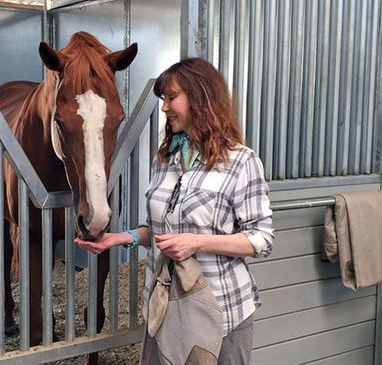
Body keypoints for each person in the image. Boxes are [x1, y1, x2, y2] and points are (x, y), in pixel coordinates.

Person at [75, 57, 273, 365]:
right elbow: (158, 230)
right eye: (162, 99)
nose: (164, 107)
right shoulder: (166, 158)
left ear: (200, 97)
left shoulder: (241, 162)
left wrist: (196, 243)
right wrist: (119, 239)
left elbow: (261, 239)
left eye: (171, 98)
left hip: (221, 309)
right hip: (165, 305)